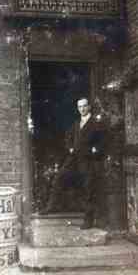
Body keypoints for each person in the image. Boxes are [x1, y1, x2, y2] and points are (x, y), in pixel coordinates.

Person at [42, 97, 106, 229]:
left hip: (87, 160)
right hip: (73, 159)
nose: (82, 109)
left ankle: (88, 220)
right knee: (59, 177)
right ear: (78, 109)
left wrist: (95, 150)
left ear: (89, 107)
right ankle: (51, 206)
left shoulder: (96, 123)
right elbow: (68, 137)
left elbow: (102, 142)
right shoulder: (77, 124)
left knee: (88, 188)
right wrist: (70, 147)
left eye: (84, 106)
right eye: (79, 107)